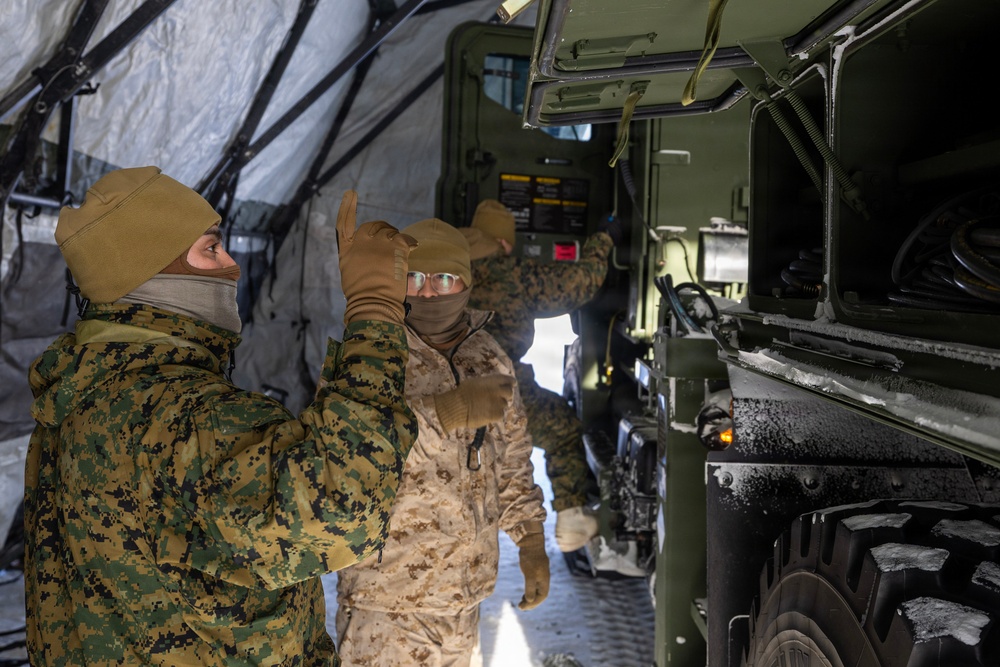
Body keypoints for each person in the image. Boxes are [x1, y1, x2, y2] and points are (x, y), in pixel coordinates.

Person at [24, 166, 418, 666]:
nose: (232, 265)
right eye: (211, 249)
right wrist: (374, 311)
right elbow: (342, 509)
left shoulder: (82, 394)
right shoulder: (183, 417)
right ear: (151, 271)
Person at [334, 217, 549, 667]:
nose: (429, 293)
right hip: (387, 601)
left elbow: (511, 457)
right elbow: (350, 453)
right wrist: (448, 412)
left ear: (466, 283)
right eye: (415, 278)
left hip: (462, 599)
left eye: (444, 279)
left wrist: (530, 540)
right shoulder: (368, 353)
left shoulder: (487, 356)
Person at [460, 199, 621, 553]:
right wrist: (604, 239)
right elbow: (579, 283)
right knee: (562, 428)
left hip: (446, 390)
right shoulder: (513, 272)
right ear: (504, 242)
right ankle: (572, 519)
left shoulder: (447, 268)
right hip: (500, 390)